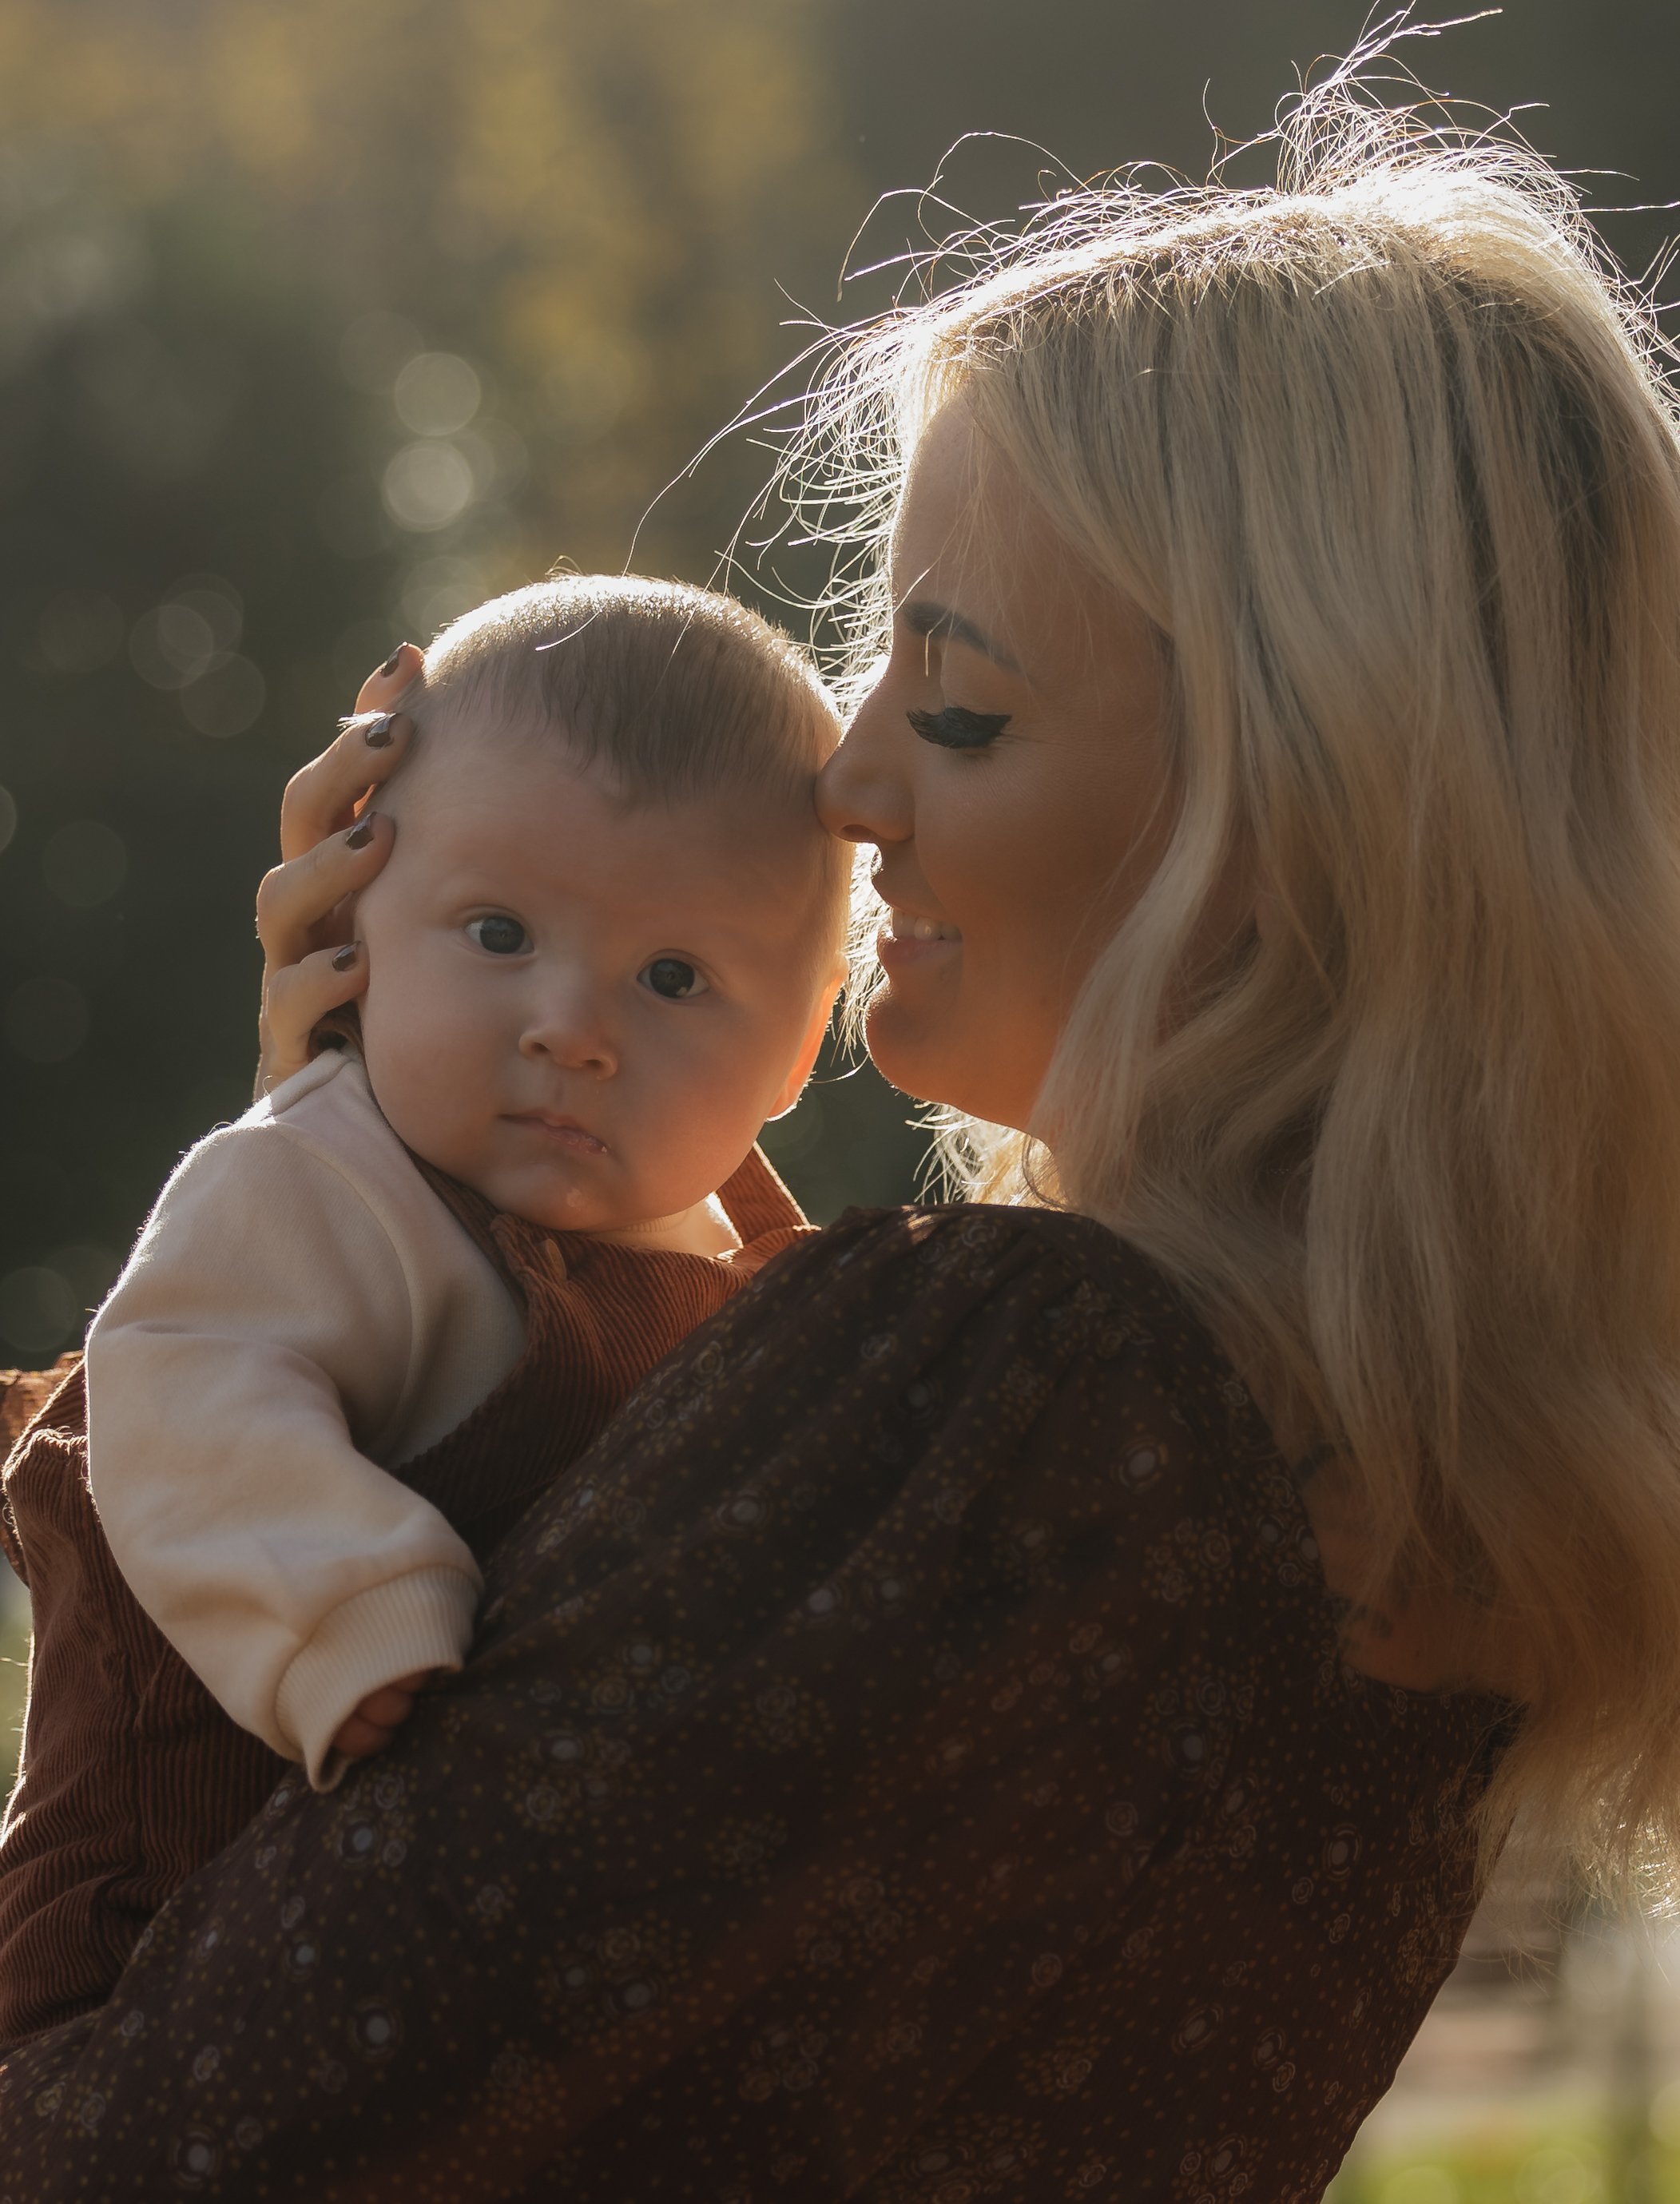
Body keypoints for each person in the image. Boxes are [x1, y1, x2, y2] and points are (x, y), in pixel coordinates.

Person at [6, 77, 1680, 2201]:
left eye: (958, 705)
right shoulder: (1414, 1526)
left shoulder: (1018, 1395)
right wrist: (420, 1218)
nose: (854, 782)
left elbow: (127, 2145)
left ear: (1301, 812)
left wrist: (226, 1306)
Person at [0, 576, 844, 2043]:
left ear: (797, 1050)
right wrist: (354, 1603)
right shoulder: (319, 1177)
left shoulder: (744, 1277)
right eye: (499, 932)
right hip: (150, 1941)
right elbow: (182, 1381)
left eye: (673, 976)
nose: (571, 1028)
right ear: (353, 924)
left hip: (436, 1978)